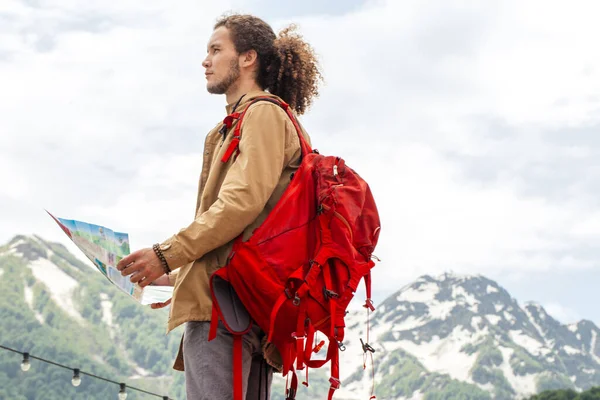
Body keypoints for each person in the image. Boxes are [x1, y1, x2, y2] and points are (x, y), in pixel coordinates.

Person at [116, 13, 323, 400]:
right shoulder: (255, 120)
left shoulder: (261, 113)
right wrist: (175, 276)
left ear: (247, 58)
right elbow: (253, 228)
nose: (205, 61)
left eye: (216, 49)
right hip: (250, 306)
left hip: (224, 311)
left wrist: (166, 255)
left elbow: (240, 204)